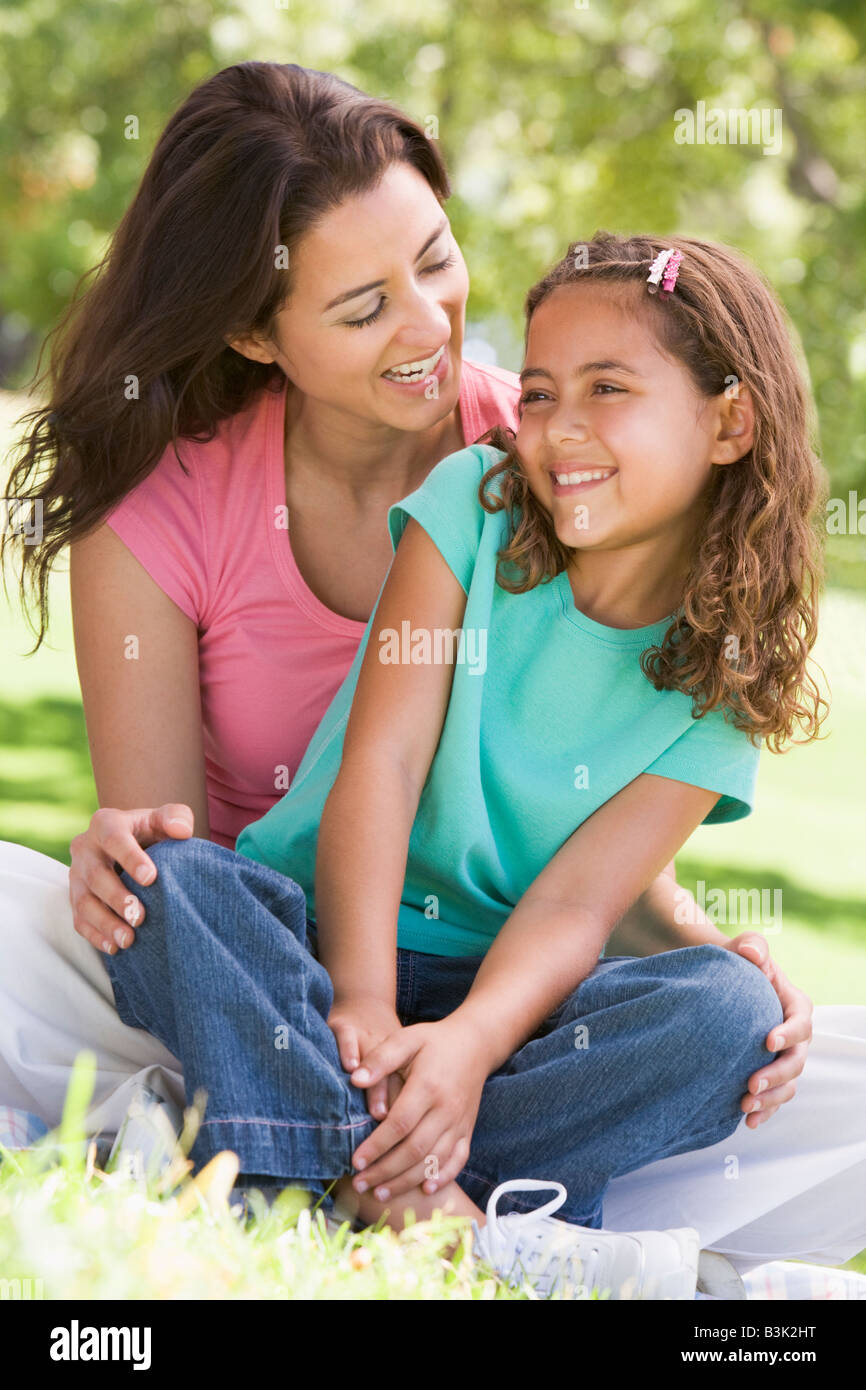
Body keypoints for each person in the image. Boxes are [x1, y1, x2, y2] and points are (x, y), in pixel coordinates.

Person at [98, 233, 866, 1295]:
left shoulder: (722, 679)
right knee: (171, 883)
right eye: (539, 393)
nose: (559, 428)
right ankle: (432, 1207)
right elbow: (383, 762)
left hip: (507, 999)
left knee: (731, 1013)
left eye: (608, 389)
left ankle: (311, 1160)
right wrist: (363, 1000)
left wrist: (463, 1047)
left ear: (729, 422)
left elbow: (575, 906)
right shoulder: (476, 503)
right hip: (311, 941)